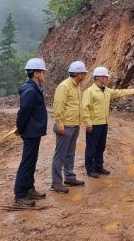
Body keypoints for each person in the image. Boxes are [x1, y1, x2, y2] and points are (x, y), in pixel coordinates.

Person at [81, 66, 134, 178]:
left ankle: (99, 166)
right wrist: (88, 123)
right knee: (91, 147)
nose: (106, 79)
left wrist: (133, 91)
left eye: (106, 77)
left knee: (101, 146)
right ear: (98, 77)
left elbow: (118, 92)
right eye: (105, 77)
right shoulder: (89, 92)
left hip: (103, 123)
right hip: (94, 124)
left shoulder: (106, 90)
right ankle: (90, 169)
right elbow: (85, 108)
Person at [13, 58, 48, 208]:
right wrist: (20, 128)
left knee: (31, 162)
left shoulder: (35, 88)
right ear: (36, 73)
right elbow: (24, 112)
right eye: (43, 72)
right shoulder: (30, 90)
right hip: (30, 132)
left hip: (34, 131)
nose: (45, 74)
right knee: (27, 163)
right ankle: (20, 195)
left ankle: (29, 189)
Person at [51, 60, 88, 193]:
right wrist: (60, 124)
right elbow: (58, 106)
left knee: (70, 153)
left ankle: (69, 177)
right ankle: (56, 182)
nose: (85, 75)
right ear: (78, 73)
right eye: (83, 73)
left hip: (74, 124)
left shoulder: (77, 86)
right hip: (65, 126)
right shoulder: (64, 86)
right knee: (60, 155)